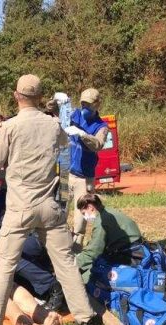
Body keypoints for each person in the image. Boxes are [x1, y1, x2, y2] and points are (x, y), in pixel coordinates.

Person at [0, 74, 100, 325]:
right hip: (50, 207)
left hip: (19, 209)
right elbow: (64, 160)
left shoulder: (9, 127)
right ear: (39, 97)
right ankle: (86, 319)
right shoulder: (54, 125)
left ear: (16, 96)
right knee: (66, 264)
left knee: (4, 269)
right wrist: (62, 200)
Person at [67, 88, 110, 247]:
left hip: (84, 179)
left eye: (89, 104)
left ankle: (77, 251)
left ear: (97, 104)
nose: (85, 107)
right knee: (58, 215)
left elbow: (98, 144)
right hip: (66, 174)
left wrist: (82, 134)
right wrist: (57, 102)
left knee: (81, 221)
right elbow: (55, 113)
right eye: (83, 103)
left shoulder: (101, 126)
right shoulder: (74, 115)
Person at [74, 194, 142, 283]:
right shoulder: (108, 211)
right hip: (136, 250)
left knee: (84, 279)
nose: (85, 217)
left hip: (128, 256)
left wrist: (73, 264)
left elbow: (93, 252)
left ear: (90, 207)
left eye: (84, 213)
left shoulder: (101, 221)